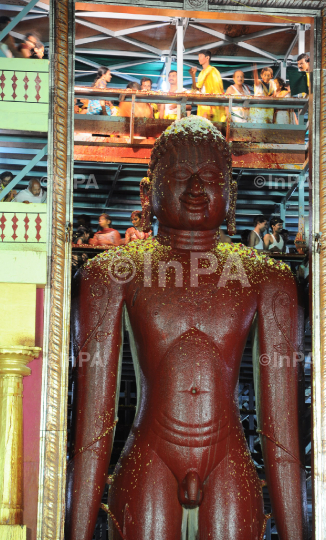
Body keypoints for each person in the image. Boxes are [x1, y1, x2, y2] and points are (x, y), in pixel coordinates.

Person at [66, 116, 308, 540]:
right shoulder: (114, 273)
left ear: (230, 194)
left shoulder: (267, 279)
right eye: (181, 175)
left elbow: (282, 437)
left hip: (229, 457)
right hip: (149, 454)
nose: (197, 188)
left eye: (211, 177)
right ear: (147, 192)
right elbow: (92, 434)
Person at [189, 50, 225, 122]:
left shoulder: (213, 71)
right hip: (202, 105)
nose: (199, 59)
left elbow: (216, 90)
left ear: (207, 58)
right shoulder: (201, 73)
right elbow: (196, 89)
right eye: (198, 57)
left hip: (211, 105)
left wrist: (211, 107)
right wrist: (193, 76)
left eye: (201, 56)